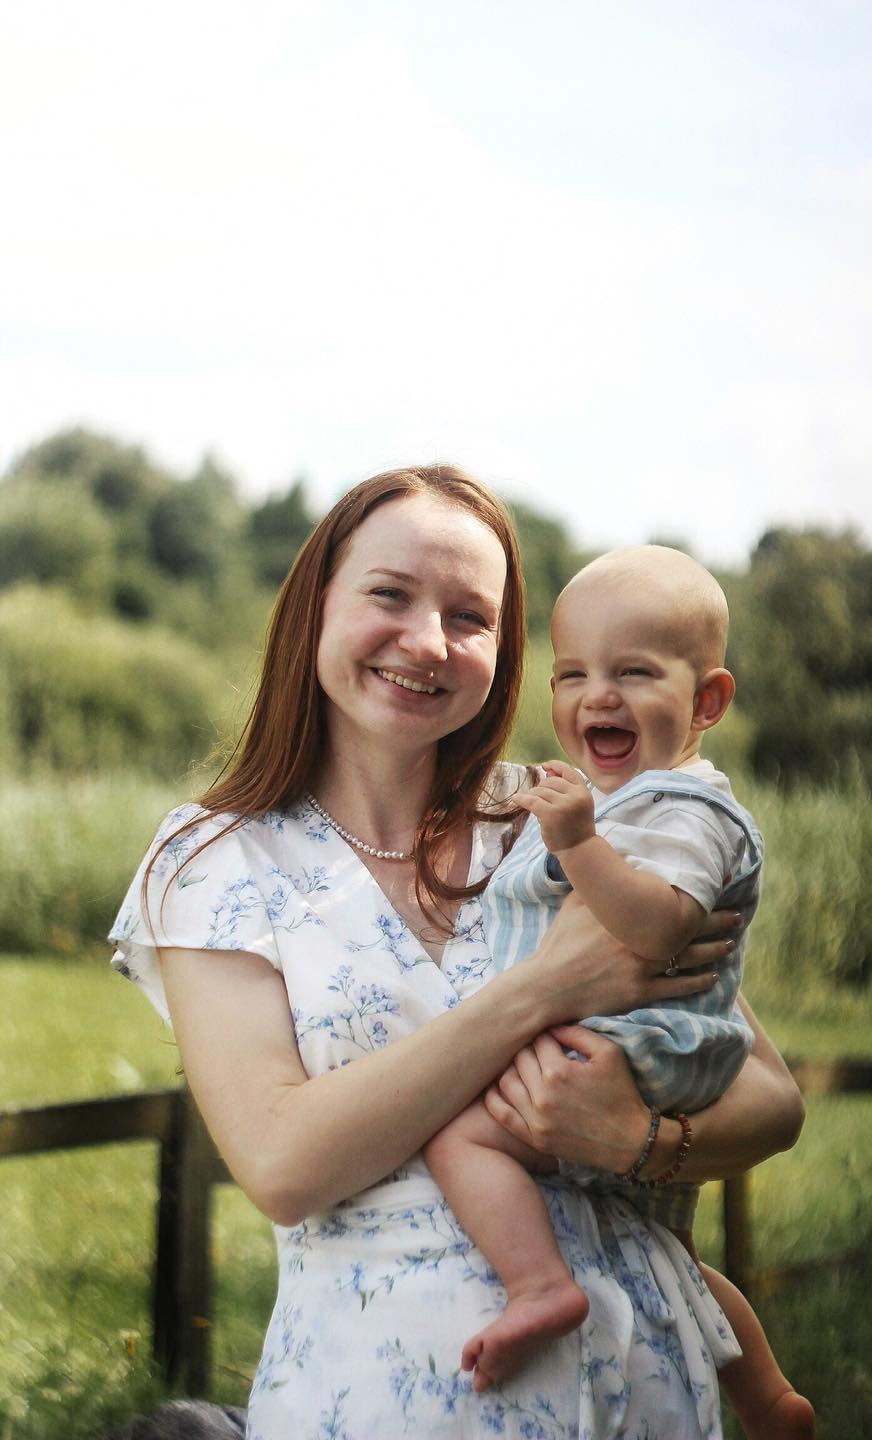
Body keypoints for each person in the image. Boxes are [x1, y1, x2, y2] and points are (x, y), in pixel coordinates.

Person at [109, 465, 805, 1440]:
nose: (427, 642)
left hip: (647, 1390)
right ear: (317, 609)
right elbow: (282, 1163)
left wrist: (640, 1142)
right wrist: (540, 992)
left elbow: (773, 1101)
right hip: (378, 1400)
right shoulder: (218, 859)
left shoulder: (567, 823)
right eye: (389, 596)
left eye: (471, 618)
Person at [424, 545, 815, 1438]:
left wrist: (577, 844)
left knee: (457, 1133)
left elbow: (660, 928)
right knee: (665, 1250)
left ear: (707, 701)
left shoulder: (686, 810)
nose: (597, 695)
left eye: (633, 672)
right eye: (573, 674)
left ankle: (538, 1285)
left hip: (628, 1048)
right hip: (637, 1049)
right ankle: (767, 1396)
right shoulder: (609, 796)